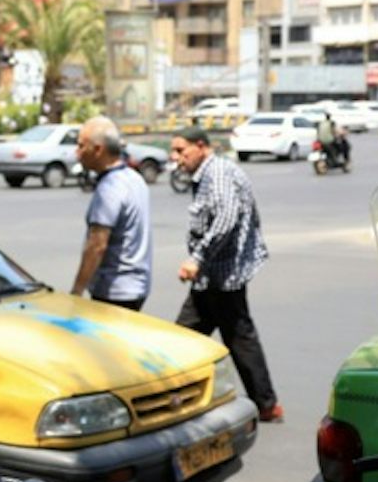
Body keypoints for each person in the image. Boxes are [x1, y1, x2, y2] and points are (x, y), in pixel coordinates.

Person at [169, 128, 282, 423]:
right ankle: (264, 402)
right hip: (215, 276)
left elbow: (227, 219)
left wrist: (197, 258)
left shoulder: (217, 173)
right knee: (198, 336)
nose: (176, 158)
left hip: (221, 274)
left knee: (194, 338)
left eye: (182, 151)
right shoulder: (209, 173)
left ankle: (264, 403)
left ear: (201, 147)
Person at [69, 117, 152, 311]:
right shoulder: (133, 178)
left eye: (81, 146)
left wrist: (76, 291)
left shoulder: (110, 189)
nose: (77, 152)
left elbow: (97, 245)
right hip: (136, 286)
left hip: (115, 291)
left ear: (98, 150)